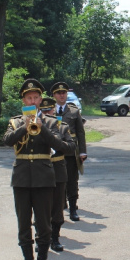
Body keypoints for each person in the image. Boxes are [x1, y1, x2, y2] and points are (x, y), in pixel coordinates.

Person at [4, 79, 75, 260]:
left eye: (36, 97)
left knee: (44, 222)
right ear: (23, 100)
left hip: (44, 177)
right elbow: (7, 140)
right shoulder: (15, 121)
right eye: (29, 98)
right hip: (21, 178)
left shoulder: (52, 122)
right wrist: (23, 127)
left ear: (40, 99)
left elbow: (65, 146)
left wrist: (41, 127)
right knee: (23, 221)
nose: (33, 101)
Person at [40, 96, 76, 253]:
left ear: (54, 110)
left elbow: (71, 146)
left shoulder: (63, 127)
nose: (48, 113)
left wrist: (57, 144)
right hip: (41, 170)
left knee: (57, 207)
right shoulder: (36, 127)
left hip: (59, 169)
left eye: (50, 110)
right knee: (41, 207)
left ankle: (55, 238)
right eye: (45, 110)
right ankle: (40, 238)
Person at [51, 81, 87, 221]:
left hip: (71, 151)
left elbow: (80, 132)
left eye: (64, 93)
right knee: (57, 181)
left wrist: (82, 151)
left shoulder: (73, 111)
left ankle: (73, 209)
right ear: (54, 95)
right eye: (59, 93)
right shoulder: (49, 111)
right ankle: (58, 208)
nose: (62, 95)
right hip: (55, 151)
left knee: (72, 181)